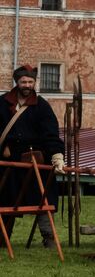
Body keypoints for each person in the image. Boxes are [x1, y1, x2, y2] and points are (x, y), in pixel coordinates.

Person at [0, 65, 65, 248]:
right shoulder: (2, 103)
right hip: (9, 164)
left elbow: (50, 134)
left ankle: (49, 238)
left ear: (35, 83)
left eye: (30, 81)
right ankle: (2, 239)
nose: (27, 85)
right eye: (23, 82)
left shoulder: (42, 106)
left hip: (36, 162)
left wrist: (57, 156)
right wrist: (4, 146)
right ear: (17, 83)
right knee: (5, 199)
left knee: (43, 199)